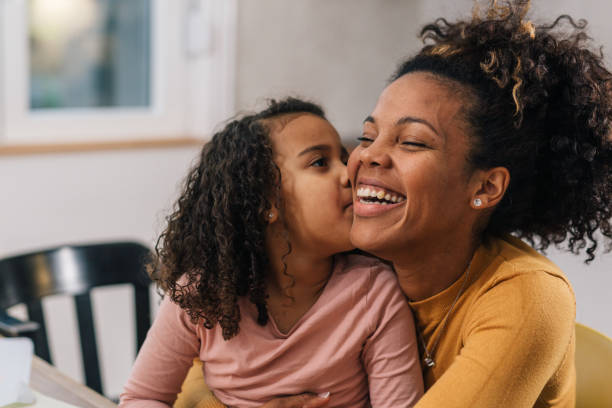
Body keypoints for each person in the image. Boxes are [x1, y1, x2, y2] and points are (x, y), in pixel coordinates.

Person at [346, 0, 611, 407]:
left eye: (412, 141)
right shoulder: (344, 264)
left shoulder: (529, 296)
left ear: (486, 187)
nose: (368, 156)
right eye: (367, 136)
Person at [119, 98, 424, 407]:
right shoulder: (200, 294)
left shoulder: (375, 293)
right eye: (320, 162)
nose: (349, 174)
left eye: (344, 159)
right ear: (266, 202)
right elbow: (142, 397)